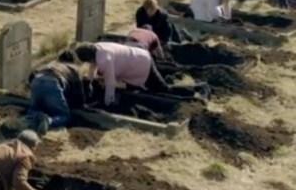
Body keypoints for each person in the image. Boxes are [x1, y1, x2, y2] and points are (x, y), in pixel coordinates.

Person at [67, 42, 211, 106]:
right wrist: (89, 82)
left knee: (163, 89)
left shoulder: (105, 58)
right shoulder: (97, 49)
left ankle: (197, 90)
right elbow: (93, 67)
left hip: (141, 64)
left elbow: (110, 83)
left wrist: (107, 103)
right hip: (133, 62)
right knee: (137, 92)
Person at [26, 62, 86, 135]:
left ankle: (33, 118)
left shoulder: (51, 64)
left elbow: (32, 76)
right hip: (52, 83)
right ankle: (49, 121)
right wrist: (81, 105)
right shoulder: (73, 69)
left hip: (36, 80)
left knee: (34, 109)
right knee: (64, 115)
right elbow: (78, 93)